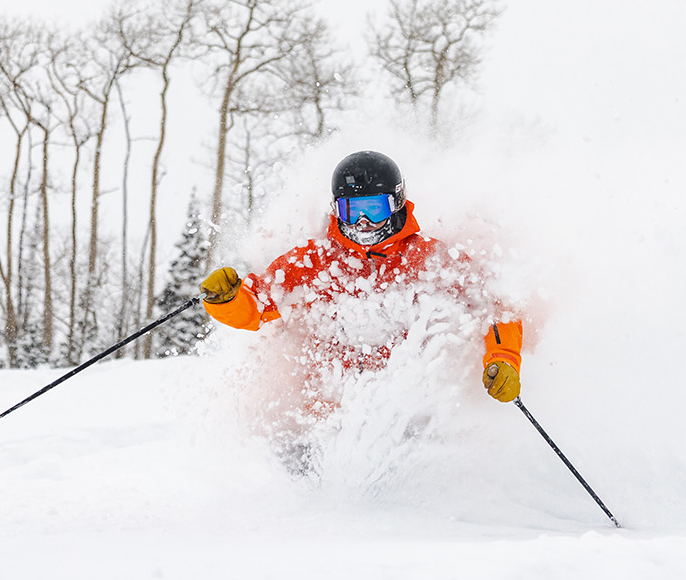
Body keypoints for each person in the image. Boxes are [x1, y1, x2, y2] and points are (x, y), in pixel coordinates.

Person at [198, 150, 523, 403]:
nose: (364, 222)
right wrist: (227, 300)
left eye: (375, 208)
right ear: (337, 210)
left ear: (396, 204)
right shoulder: (315, 261)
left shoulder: (429, 259)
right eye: (353, 210)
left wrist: (503, 358)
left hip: (409, 407)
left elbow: (492, 306)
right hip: (325, 412)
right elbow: (256, 306)